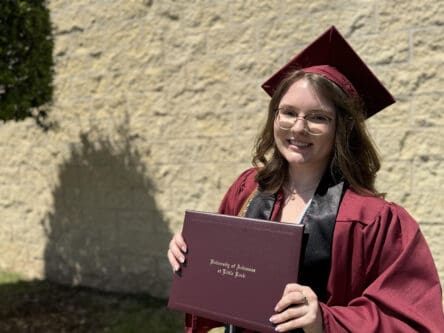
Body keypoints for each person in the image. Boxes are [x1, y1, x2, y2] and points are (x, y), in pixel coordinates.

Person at [167, 26, 444, 333]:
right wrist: (190, 254)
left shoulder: (375, 221)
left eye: (317, 117)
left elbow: (412, 321)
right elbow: (223, 277)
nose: (298, 128)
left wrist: (326, 321)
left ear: (342, 129)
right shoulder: (247, 189)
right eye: (287, 113)